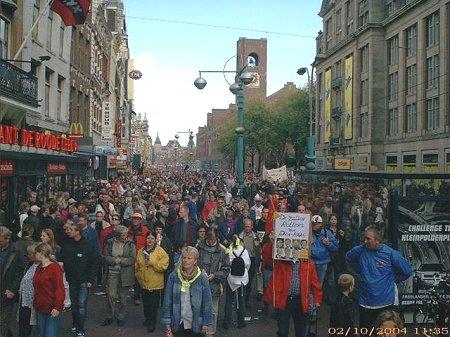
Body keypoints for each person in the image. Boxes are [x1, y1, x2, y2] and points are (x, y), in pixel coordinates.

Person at [346, 226, 412, 334]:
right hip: (365, 303)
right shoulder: (361, 250)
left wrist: (392, 279)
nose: (365, 241)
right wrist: (361, 272)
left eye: (368, 239)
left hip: (385, 303)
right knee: (366, 333)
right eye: (364, 238)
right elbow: (349, 257)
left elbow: (407, 271)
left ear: (377, 240)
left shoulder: (390, 253)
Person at [263, 251, 323, 337]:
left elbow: (315, 283)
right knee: (282, 331)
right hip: (284, 301)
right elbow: (268, 257)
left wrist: (317, 300)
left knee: (301, 332)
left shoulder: (309, 264)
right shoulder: (280, 261)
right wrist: (273, 241)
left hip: (300, 301)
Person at [161, 246, 213, 337]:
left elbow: (207, 302)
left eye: (189, 258)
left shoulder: (202, 277)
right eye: (184, 258)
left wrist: (206, 323)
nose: (185, 260)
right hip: (178, 322)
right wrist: (167, 321)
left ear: (195, 261)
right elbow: (167, 299)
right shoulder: (174, 276)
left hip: (196, 323)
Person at [61, 222, 98, 337]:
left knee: (81, 304)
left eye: (71, 229)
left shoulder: (87, 244)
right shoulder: (67, 244)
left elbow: (93, 263)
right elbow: (64, 259)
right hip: (72, 280)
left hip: (83, 280)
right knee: (74, 304)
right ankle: (76, 323)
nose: (68, 231)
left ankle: (80, 328)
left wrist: (90, 280)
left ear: (77, 231)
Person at [197, 228, 230, 337]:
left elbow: (226, 269)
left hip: (214, 285)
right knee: (199, 307)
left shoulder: (222, 250)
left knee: (212, 310)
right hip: (199, 283)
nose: (211, 242)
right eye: (209, 239)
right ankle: (199, 329)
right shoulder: (199, 247)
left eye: (213, 239)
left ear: (217, 238)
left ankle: (210, 332)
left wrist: (215, 275)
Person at [102, 225, 136, 327]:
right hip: (112, 272)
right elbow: (106, 256)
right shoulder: (110, 243)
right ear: (118, 235)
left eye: (126, 234)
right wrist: (113, 260)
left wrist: (121, 261)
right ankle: (109, 316)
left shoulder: (130, 244)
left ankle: (120, 316)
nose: (126, 236)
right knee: (110, 295)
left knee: (123, 297)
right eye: (123, 234)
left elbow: (132, 258)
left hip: (125, 273)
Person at [135, 231, 169, 332]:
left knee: (153, 305)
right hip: (143, 283)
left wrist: (153, 264)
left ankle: (152, 322)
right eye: (148, 238)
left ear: (155, 240)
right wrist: (138, 275)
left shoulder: (160, 251)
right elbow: (137, 265)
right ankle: (147, 319)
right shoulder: (141, 251)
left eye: (152, 238)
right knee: (145, 304)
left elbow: (164, 266)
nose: (149, 240)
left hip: (155, 284)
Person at [33, 243, 65, 337]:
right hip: (40, 307)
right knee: (40, 334)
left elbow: (59, 288)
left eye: (36, 253)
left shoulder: (54, 268)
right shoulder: (39, 268)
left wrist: (57, 306)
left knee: (49, 334)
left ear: (41, 253)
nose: (35, 255)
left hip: (52, 307)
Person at [223, 235, 251, 329]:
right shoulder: (245, 251)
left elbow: (226, 264)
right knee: (241, 300)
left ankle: (226, 322)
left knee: (229, 300)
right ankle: (241, 322)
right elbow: (247, 264)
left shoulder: (229, 251)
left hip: (231, 278)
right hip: (242, 279)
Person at [0, 226, 24, 337]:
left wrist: (13, 290)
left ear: (7, 239)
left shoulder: (16, 252)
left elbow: (19, 273)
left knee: (3, 323)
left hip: (6, 293)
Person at [127, 212, 150, 305]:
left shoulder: (145, 230)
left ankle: (137, 296)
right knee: (132, 275)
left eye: (137, 219)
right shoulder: (128, 230)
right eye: (134, 218)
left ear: (140, 220)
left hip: (141, 255)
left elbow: (148, 242)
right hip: (131, 256)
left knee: (139, 276)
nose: (135, 220)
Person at [310, 215, 339, 286]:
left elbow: (336, 248)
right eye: (313, 224)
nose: (315, 226)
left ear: (321, 224)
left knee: (319, 283)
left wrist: (328, 244)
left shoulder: (327, 233)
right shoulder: (308, 233)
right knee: (310, 283)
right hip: (310, 262)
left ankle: (318, 296)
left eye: (317, 224)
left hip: (322, 263)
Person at [17, 243, 39, 337]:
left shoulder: (41, 266)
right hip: (24, 299)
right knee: (22, 325)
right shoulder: (29, 264)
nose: (28, 255)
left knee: (29, 325)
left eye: (30, 253)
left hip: (33, 301)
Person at [238, 218, 260, 306]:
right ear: (244, 227)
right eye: (246, 226)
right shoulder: (240, 237)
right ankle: (240, 300)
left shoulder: (256, 237)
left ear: (252, 227)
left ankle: (246, 299)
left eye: (249, 226)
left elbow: (258, 250)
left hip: (252, 259)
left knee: (249, 281)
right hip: (242, 260)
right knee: (241, 281)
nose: (247, 228)